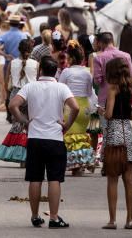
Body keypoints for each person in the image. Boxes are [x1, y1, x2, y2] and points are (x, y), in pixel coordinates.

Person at [9, 55, 78, 229]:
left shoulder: (30, 87)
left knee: (35, 178)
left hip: (35, 138)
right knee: (55, 178)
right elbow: (75, 107)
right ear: (56, 72)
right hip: (55, 138)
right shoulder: (61, 88)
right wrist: (67, 125)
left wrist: (25, 121)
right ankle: (54, 218)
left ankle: (34, 216)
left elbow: (13, 105)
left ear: (40, 70)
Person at [103, 57, 132, 230]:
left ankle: (112, 219)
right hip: (129, 131)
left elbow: (109, 114)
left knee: (112, 178)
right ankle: (130, 219)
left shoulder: (112, 89)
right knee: (129, 178)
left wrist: (101, 111)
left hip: (115, 133)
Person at [0, 38, 37, 165]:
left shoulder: (12, 63)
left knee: (19, 125)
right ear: (31, 50)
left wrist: (7, 97)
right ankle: (27, 155)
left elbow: (7, 82)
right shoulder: (36, 64)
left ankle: (20, 155)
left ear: (19, 49)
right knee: (29, 126)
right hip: (31, 95)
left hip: (15, 95)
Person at [58, 40, 96, 175]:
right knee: (81, 135)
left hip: (70, 106)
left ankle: (73, 165)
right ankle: (80, 165)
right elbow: (89, 92)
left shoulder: (66, 72)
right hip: (85, 107)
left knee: (69, 136)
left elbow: (60, 91)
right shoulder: (87, 73)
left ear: (71, 58)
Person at [92, 32, 132, 115]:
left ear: (100, 43)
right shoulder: (126, 56)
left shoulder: (98, 58)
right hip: (125, 98)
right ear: (112, 41)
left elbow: (98, 81)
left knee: (106, 126)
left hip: (105, 99)